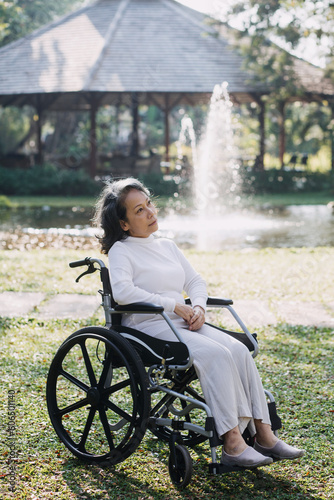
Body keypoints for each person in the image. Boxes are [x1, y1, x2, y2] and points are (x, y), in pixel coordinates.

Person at [93, 177, 305, 468]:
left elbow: (195, 281)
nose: (151, 212)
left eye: (149, 204)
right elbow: (124, 292)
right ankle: (233, 444)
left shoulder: (167, 246)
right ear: (125, 223)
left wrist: (200, 308)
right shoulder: (122, 251)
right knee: (215, 354)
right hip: (147, 326)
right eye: (139, 210)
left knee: (240, 350)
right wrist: (175, 305)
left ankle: (265, 436)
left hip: (181, 322)